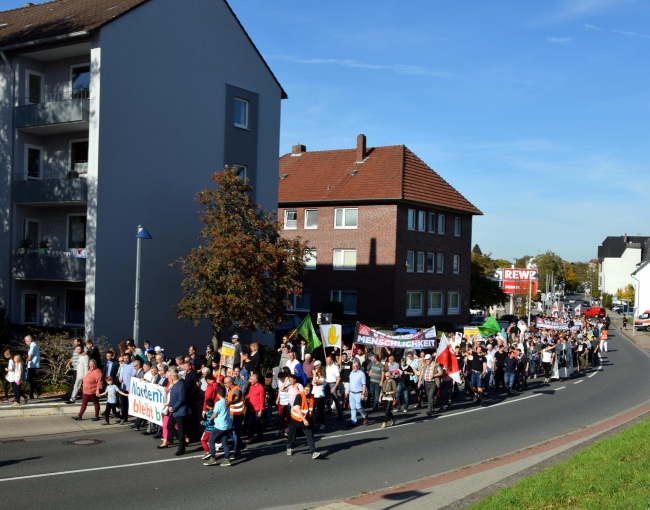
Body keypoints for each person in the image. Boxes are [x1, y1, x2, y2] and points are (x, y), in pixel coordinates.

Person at [286, 382, 321, 459]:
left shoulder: (312, 397)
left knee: (310, 435)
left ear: (311, 391)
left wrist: (313, 418)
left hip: (307, 419)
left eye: (308, 390)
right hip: (296, 419)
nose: (306, 391)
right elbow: (298, 409)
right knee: (292, 434)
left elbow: (311, 409)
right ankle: (289, 447)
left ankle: (313, 452)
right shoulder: (299, 396)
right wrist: (304, 420)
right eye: (305, 389)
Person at [204, 388, 234, 466]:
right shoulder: (227, 401)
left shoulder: (218, 403)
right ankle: (227, 459)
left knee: (211, 440)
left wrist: (210, 419)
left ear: (218, 394)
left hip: (220, 426)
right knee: (224, 442)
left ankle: (213, 457)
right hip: (227, 425)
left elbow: (215, 414)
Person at [164, 368, 190, 456]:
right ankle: (182, 441)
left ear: (171, 379)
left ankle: (181, 448)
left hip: (180, 411)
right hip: (174, 411)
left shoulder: (181, 385)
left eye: (168, 379)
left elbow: (181, 399)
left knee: (181, 430)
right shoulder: (174, 385)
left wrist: (173, 408)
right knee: (170, 427)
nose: (168, 380)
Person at [224, 376, 246, 457]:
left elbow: (236, 399)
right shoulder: (229, 389)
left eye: (226, 383)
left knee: (235, 433)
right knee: (230, 431)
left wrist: (230, 403)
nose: (225, 384)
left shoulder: (236, 389)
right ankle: (240, 444)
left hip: (237, 415)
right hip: (231, 414)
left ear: (231, 383)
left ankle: (237, 451)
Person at [246, 373, 266, 444]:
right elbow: (249, 395)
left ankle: (249, 438)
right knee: (257, 424)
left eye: (251, 379)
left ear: (256, 380)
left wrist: (261, 410)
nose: (250, 380)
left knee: (253, 423)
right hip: (251, 408)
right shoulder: (251, 386)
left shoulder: (261, 388)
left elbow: (262, 400)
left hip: (257, 408)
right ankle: (260, 437)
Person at [347, 361, 368, 427]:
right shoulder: (351, 373)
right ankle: (353, 421)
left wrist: (363, 394)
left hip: (358, 393)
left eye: (355, 366)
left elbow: (364, 384)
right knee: (352, 408)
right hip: (351, 392)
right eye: (353, 366)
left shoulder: (361, 374)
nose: (354, 367)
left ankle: (365, 415)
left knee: (358, 406)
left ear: (358, 366)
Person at [24, 335, 41, 400]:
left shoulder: (32, 346)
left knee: (29, 379)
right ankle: (31, 394)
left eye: (26, 341)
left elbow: (30, 357)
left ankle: (38, 390)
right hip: (33, 365)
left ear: (30, 340)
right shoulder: (34, 345)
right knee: (31, 379)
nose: (25, 342)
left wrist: (26, 360)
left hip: (32, 365)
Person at [311, 361, 326, 430]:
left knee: (320, 411)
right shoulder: (317, 377)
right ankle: (312, 421)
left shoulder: (323, 379)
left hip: (320, 396)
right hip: (314, 395)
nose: (317, 372)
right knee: (311, 409)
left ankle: (322, 424)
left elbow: (315, 382)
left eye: (318, 372)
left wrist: (314, 374)